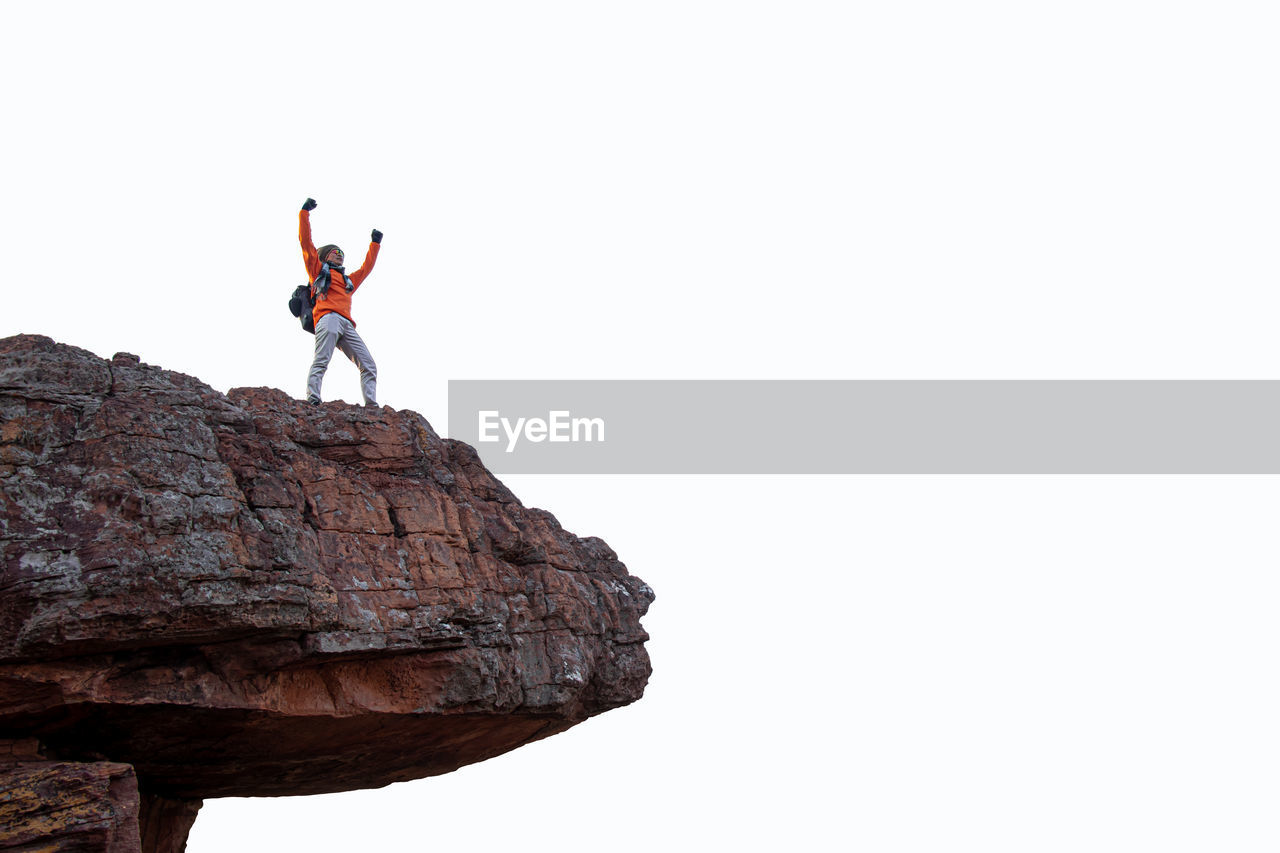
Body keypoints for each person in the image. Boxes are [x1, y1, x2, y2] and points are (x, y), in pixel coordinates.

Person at [298, 197, 383, 406]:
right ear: (326, 256)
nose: (340, 256)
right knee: (322, 360)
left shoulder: (348, 281)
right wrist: (304, 213)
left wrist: (375, 244)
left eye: (342, 254)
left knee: (369, 365)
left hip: (347, 324)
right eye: (336, 253)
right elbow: (306, 243)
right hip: (327, 318)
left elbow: (365, 269)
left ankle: (371, 405)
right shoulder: (317, 271)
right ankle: (313, 398)